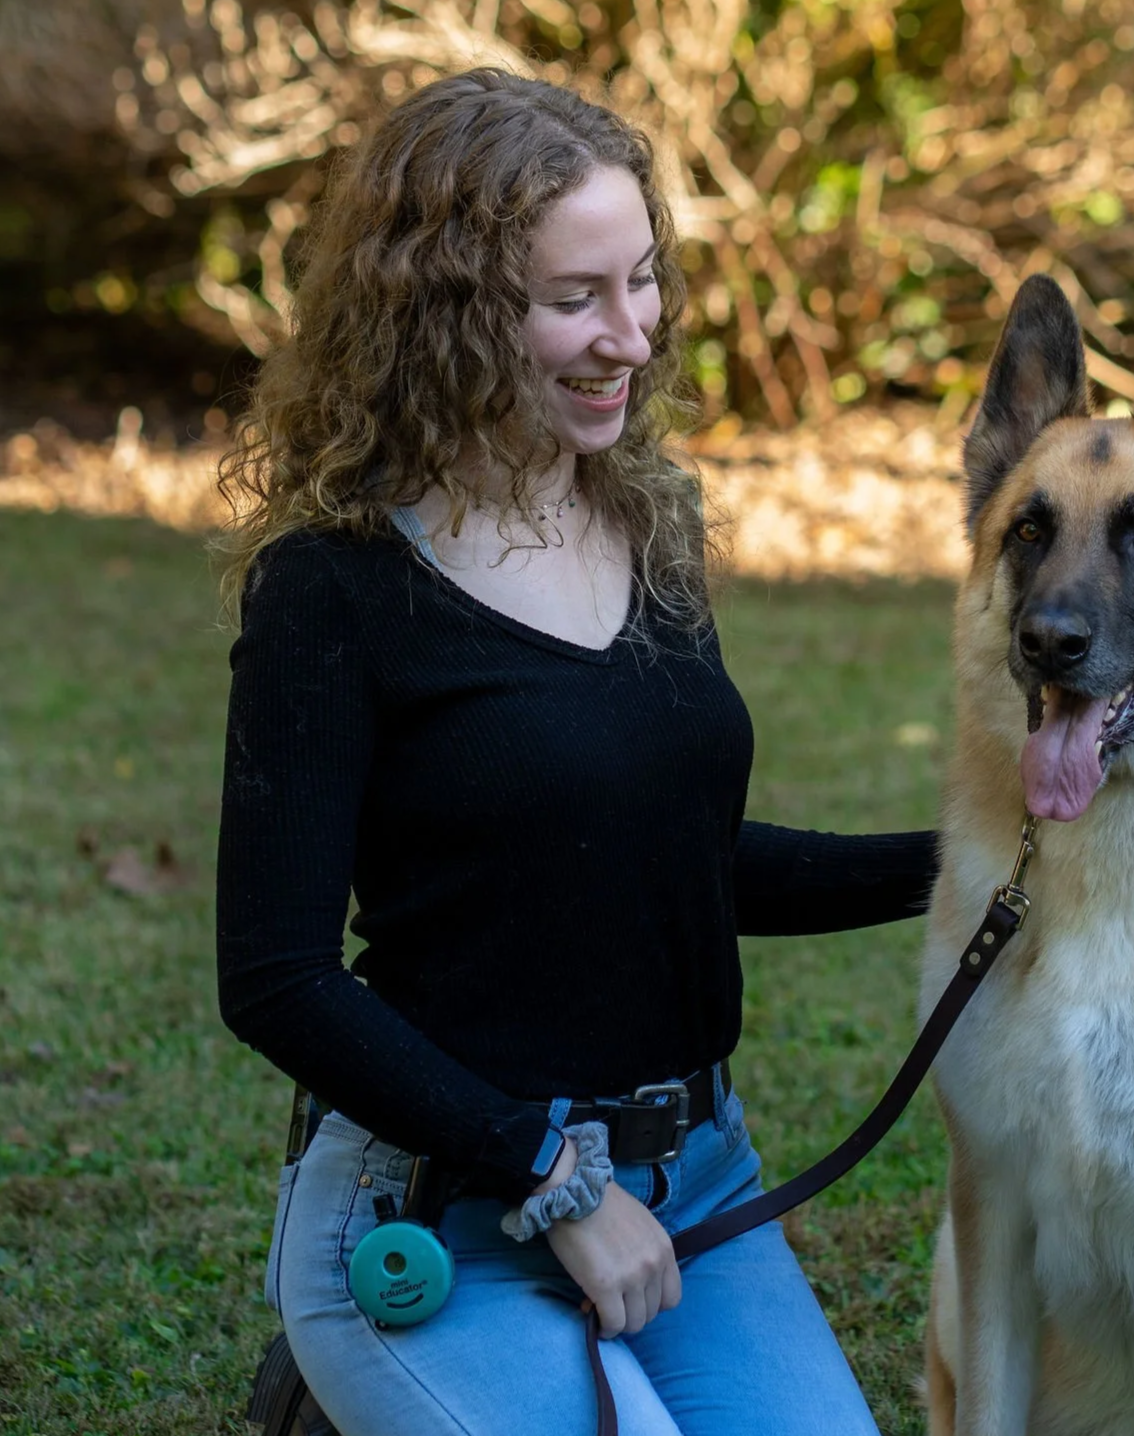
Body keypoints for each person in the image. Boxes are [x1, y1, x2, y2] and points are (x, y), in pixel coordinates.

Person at [213, 68, 935, 1436]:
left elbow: (679, 861)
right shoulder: (335, 589)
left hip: (696, 1185)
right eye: (572, 300)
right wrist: (552, 1176)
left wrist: (970, 866)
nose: (631, 337)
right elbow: (277, 979)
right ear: (445, 319)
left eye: (643, 282)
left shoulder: (650, 527)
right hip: (439, 1206)